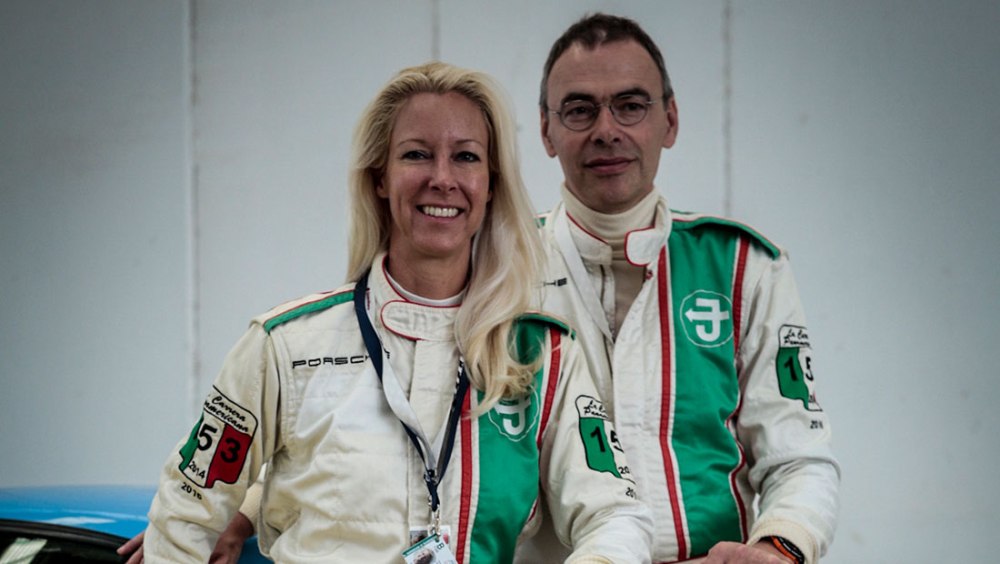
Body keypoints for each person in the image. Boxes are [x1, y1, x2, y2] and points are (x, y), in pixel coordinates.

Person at [136, 61, 652, 563]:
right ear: (379, 177)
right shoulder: (285, 346)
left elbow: (617, 516)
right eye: (416, 154)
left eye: (466, 157)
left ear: (491, 183)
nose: (442, 178)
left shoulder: (543, 356)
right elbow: (185, 510)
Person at [519, 12, 840, 564]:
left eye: (630, 105)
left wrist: (778, 548)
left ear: (670, 120)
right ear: (547, 131)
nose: (606, 129)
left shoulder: (744, 265)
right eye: (579, 109)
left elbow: (798, 457)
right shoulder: (501, 271)